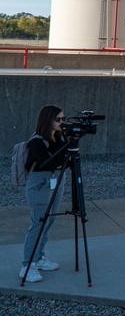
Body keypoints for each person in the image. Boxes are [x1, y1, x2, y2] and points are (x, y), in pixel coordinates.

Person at [20, 105, 68, 283]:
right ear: (47, 120)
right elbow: (47, 162)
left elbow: (66, 162)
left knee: (49, 220)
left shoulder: (59, 138)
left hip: (56, 181)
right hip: (40, 183)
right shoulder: (37, 141)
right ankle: (27, 265)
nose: (61, 123)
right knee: (39, 222)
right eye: (58, 120)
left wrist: (61, 157)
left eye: (63, 119)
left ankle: (39, 258)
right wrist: (60, 158)